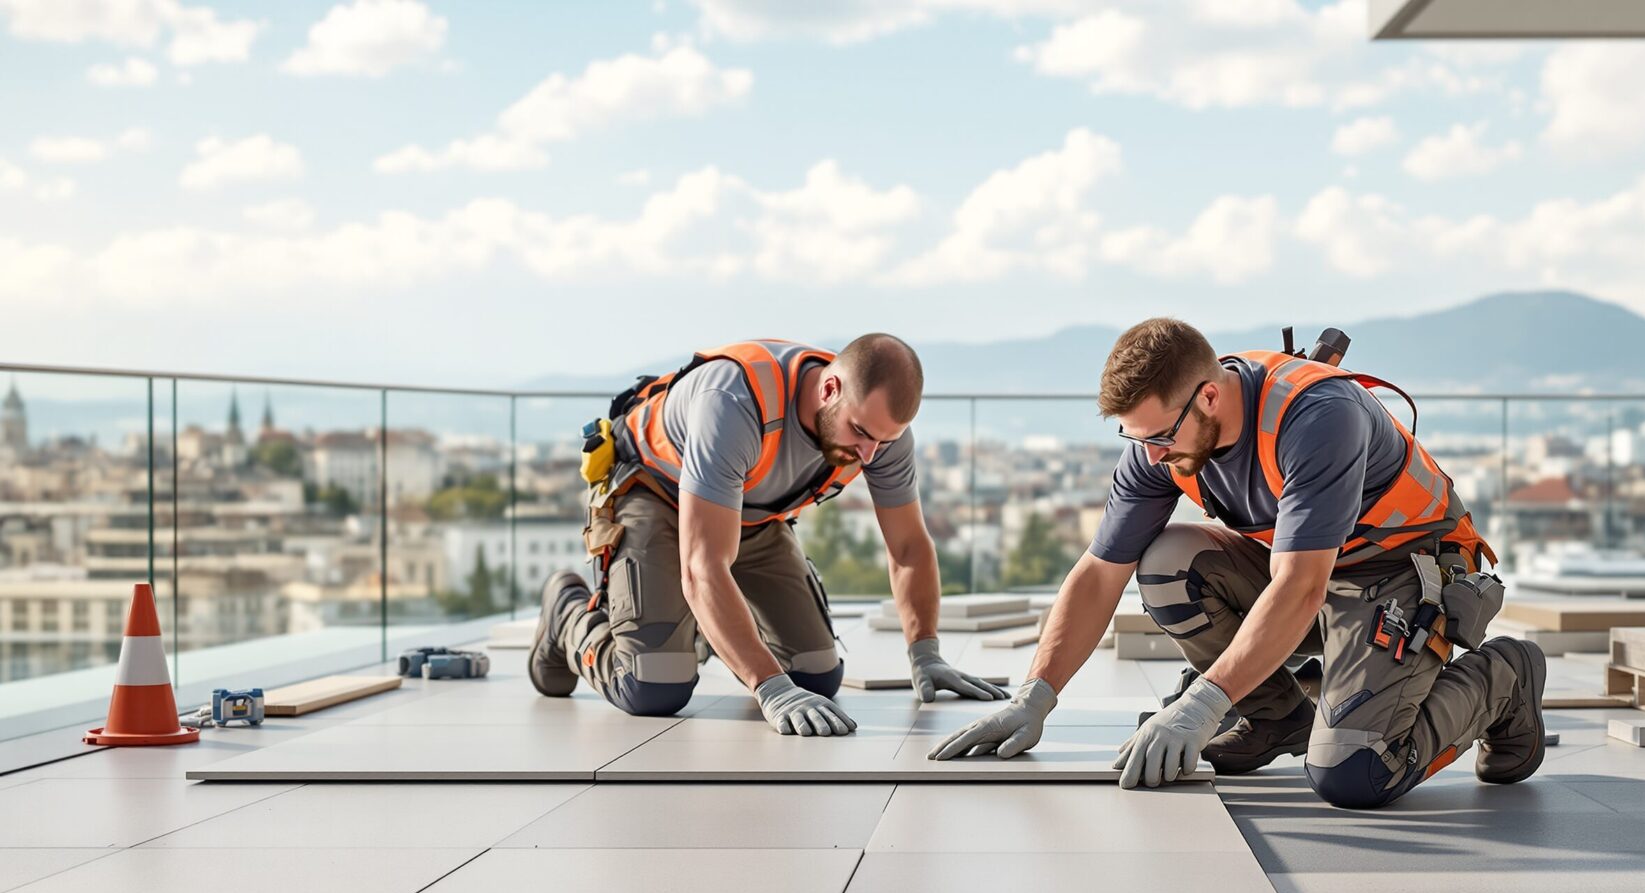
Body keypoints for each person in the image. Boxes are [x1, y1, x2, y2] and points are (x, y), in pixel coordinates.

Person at [929, 317, 1546, 806]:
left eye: (1161, 436)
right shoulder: (1162, 444)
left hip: (1400, 573)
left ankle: (1509, 676)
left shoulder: (1317, 417)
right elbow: (1098, 573)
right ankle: (1275, 715)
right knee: (1170, 560)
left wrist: (1202, 704)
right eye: (1136, 438)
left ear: (1208, 397)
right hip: (1308, 577)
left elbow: (1299, 588)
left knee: (1355, 773)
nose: (1152, 453)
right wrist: (1035, 696)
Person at [529, 334, 1006, 734]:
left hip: (750, 517)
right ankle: (566, 611)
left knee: (815, 677)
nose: (868, 455)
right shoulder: (734, 402)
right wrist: (768, 688)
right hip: (658, 497)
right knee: (654, 686)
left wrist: (925, 652)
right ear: (830, 389)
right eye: (860, 433)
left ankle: (688, 626)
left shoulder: (879, 438)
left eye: (882, 440)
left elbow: (907, 546)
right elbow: (702, 567)